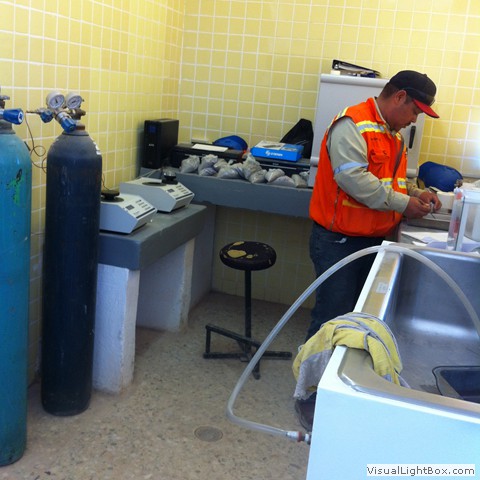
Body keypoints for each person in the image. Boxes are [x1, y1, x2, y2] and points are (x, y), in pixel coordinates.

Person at [295, 70, 442, 431]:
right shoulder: (352, 124)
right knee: (332, 318)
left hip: (373, 240)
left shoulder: (393, 135)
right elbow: (354, 179)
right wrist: (404, 203)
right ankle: (311, 398)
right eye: (415, 111)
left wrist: (415, 192)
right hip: (340, 242)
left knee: (357, 320)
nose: (415, 119)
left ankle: (340, 394)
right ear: (399, 97)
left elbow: (392, 182)